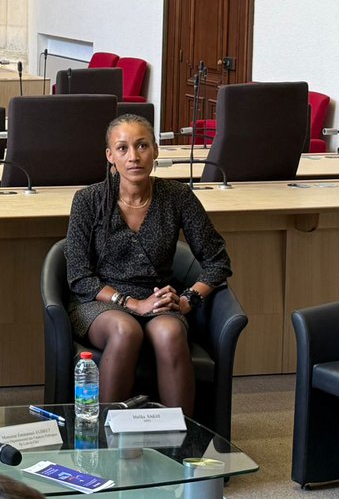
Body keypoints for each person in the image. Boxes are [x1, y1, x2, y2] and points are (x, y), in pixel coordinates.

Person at [64, 113, 232, 414]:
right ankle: (106, 434)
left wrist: (187, 300)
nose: (134, 156)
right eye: (123, 148)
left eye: (142, 146)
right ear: (110, 155)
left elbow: (217, 261)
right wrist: (131, 303)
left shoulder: (177, 196)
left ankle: (180, 435)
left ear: (155, 150)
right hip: (100, 301)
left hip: (157, 299)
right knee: (125, 330)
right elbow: (78, 276)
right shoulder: (88, 200)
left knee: (170, 333)